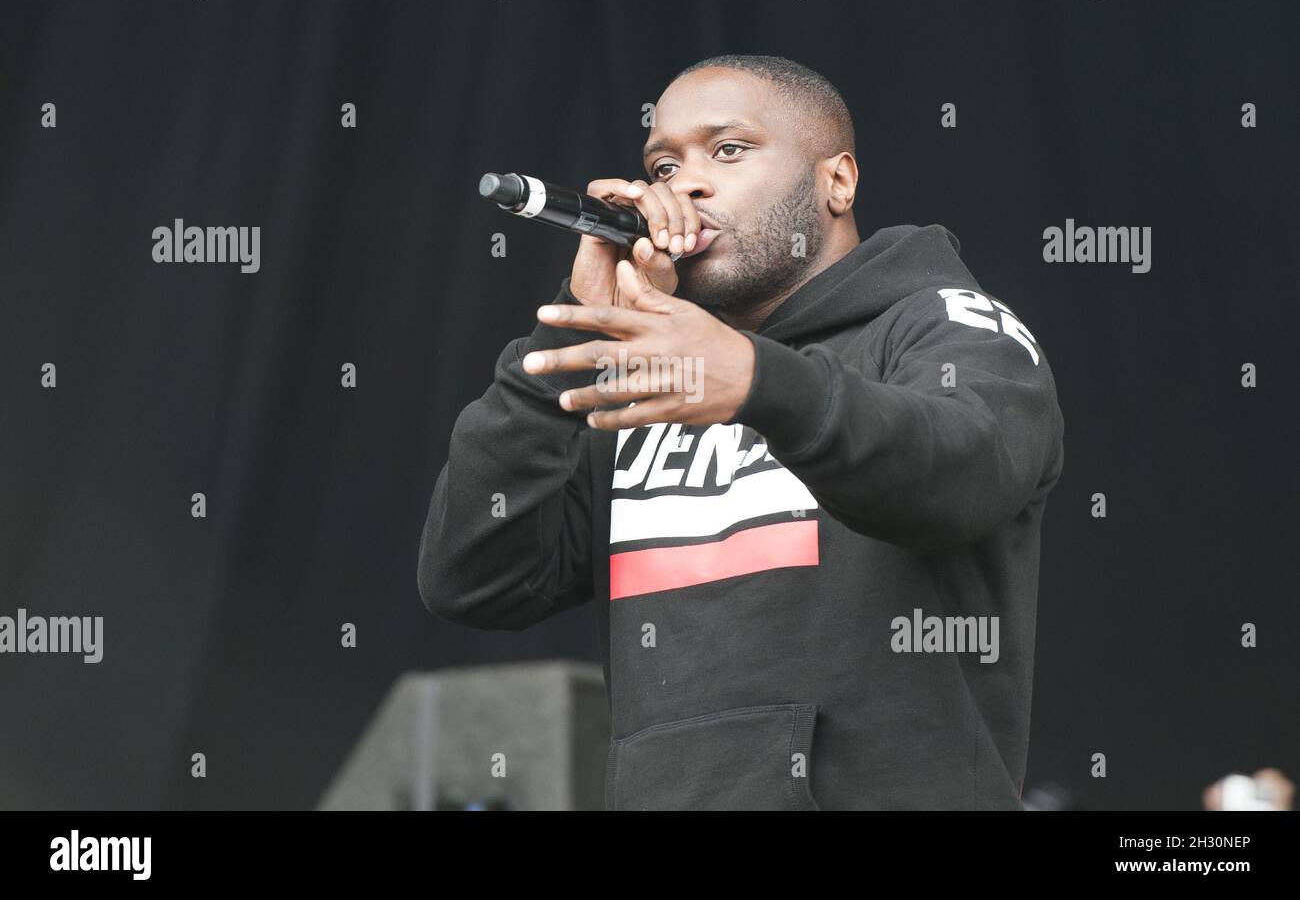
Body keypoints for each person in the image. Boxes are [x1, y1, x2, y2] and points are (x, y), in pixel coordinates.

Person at [418, 54, 1066, 810]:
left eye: (728, 150)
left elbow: (959, 473)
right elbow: (472, 577)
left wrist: (760, 383)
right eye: (664, 164)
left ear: (838, 181)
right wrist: (575, 325)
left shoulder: (943, 325)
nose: (683, 183)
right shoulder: (646, 376)